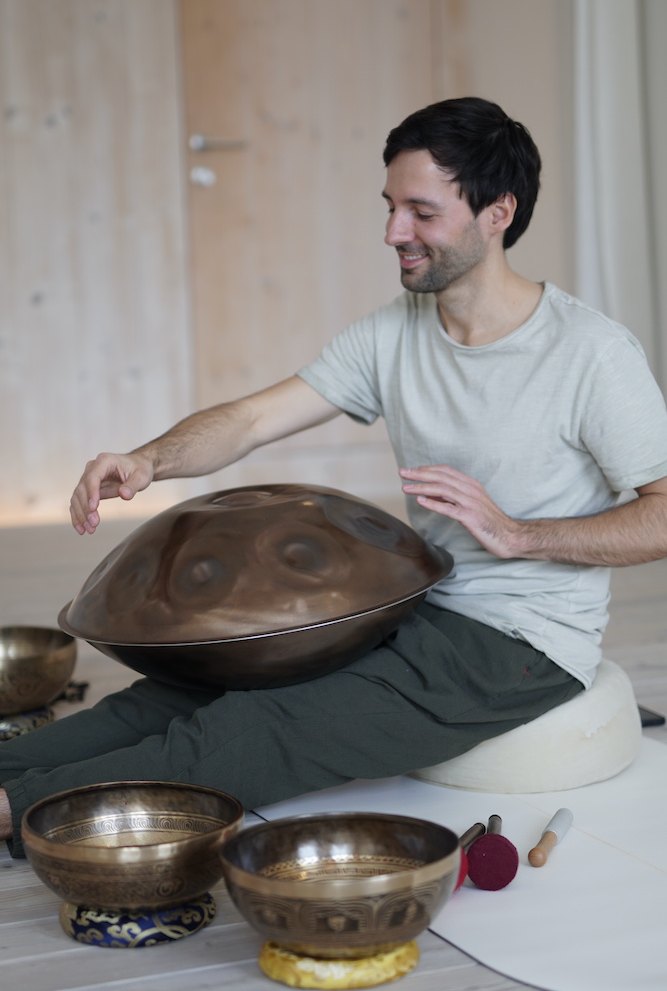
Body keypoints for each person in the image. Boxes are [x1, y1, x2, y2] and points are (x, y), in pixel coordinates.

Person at [2, 97, 667, 857]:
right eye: (389, 207)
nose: (392, 233)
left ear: (496, 212)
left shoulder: (590, 354)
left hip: (519, 644)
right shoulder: (393, 332)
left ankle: (13, 808)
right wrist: (151, 457)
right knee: (189, 691)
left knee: (255, 731)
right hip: (416, 605)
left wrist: (518, 534)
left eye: (420, 211)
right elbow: (251, 419)